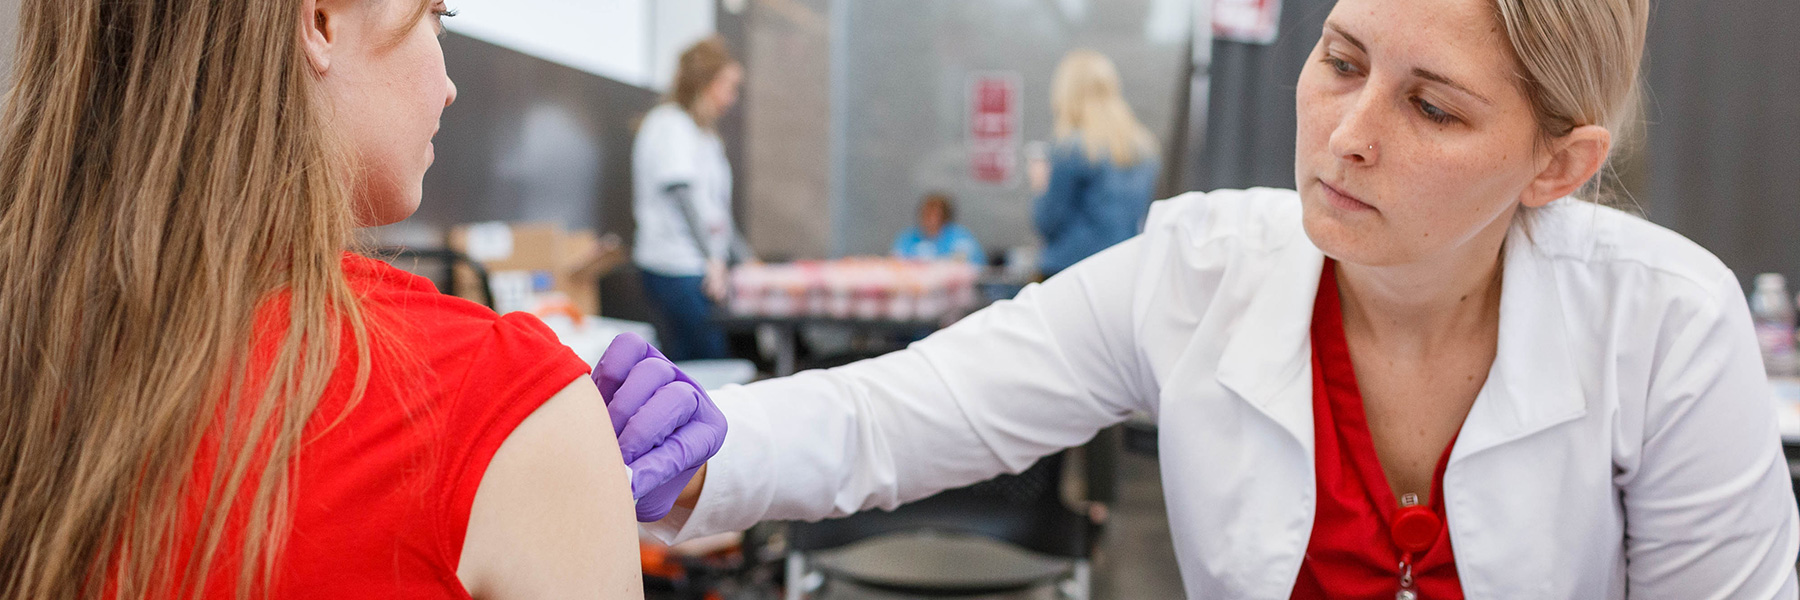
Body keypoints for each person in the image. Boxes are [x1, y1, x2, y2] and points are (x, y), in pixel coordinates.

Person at [602, 0, 1800, 596]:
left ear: (1557, 165)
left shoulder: (1667, 327)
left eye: (1433, 107)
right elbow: (899, 415)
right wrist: (702, 450)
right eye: (1340, 61)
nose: (1348, 133)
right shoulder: (1199, 269)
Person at [0, 1, 653, 598]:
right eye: (436, 14)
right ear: (318, 21)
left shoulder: (32, 346)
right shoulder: (501, 405)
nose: (450, 86)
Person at [632, 36, 753, 362]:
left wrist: (744, 258)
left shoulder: (705, 136)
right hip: (675, 267)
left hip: (697, 266)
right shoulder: (670, 125)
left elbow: (715, 211)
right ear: (706, 83)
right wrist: (712, 259)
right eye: (728, 86)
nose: (732, 97)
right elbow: (682, 195)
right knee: (705, 360)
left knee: (703, 360)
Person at [1029, 49, 1161, 279]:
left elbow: (1047, 222)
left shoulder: (1070, 148)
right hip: (1122, 270)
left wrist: (1040, 184)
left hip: (1070, 272)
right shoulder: (1143, 149)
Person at [891, 193, 987, 265]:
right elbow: (895, 263)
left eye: (935, 215)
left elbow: (973, 266)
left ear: (945, 217)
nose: (929, 219)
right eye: (926, 214)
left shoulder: (961, 239)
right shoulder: (908, 237)